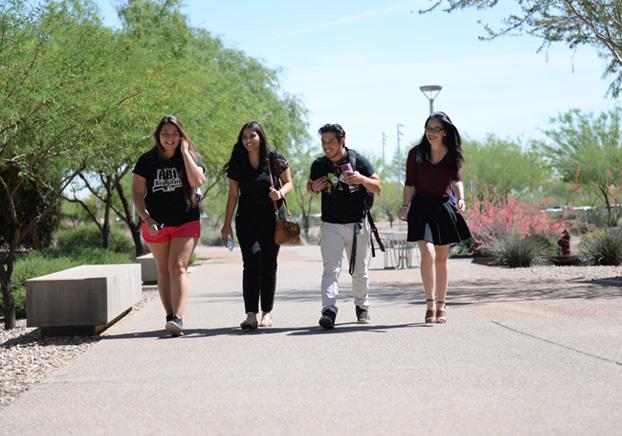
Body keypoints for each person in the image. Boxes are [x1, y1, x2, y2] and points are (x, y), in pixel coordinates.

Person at [132, 115, 205, 336]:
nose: (170, 138)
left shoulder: (191, 157)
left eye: (175, 133)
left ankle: (178, 318)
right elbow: (137, 192)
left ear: (181, 136)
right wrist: (146, 218)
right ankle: (170, 315)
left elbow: (197, 182)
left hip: (186, 220)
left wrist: (184, 153)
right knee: (163, 271)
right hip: (157, 223)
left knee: (178, 267)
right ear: (158, 136)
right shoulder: (147, 160)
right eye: (165, 133)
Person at [398, 111, 471, 324]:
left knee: (441, 256)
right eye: (428, 128)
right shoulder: (416, 154)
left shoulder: (451, 154)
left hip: (443, 206)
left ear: (445, 132)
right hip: (420, 206)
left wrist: (461, 198)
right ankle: (430, 304)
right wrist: (405, 206)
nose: (431, 132)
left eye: (436, 129)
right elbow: (410, 183)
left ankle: (442, 305)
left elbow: (456, 180)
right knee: (427, 254)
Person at [307, 123, 381, 329]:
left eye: (331, 142)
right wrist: (314, 187)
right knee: (331, 268)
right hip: (331, 224)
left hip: (357, 224)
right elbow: (309, 187)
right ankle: (329, 310)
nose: (326, 146)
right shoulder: (319, 164)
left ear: (342, 141)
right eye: (323, 142)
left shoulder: (358, 160)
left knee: (359, 270)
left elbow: (377, 185)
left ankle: (362, 307)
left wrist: (361, 179)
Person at [221, 121, 293, 330]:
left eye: (252, 136)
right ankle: (250, 314)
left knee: (269, 264)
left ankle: (267, 313)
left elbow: (289, 183)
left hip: (272, 218)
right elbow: (233, 194)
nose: (248, 141)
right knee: (252, 261)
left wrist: (280, 193)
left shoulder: (274, 158)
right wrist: (226, 225)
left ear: (260, 137)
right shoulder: (237, 162)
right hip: (246, 219)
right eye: (244, 137)